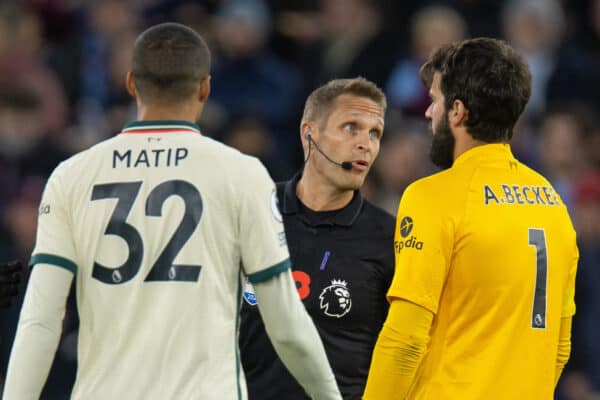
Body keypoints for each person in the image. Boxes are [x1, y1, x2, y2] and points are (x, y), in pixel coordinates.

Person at [2, 22, 341, 400]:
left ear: (131, 83)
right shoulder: (241, 174)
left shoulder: (72, 176)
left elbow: (41, 320)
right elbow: (285, 322)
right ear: (205, 88)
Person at [364, 37, 578, 399]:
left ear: (458, 111)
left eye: (434, 101)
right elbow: (559, 346)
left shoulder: (432, 196)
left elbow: (405, 338)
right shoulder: (554, 204)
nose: (429, 114)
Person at [240, 77, 395, 399]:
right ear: (309, 133)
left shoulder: (388, 240)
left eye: (375, 132)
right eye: (351, 127)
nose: (366, 143)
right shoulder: (252, 215)